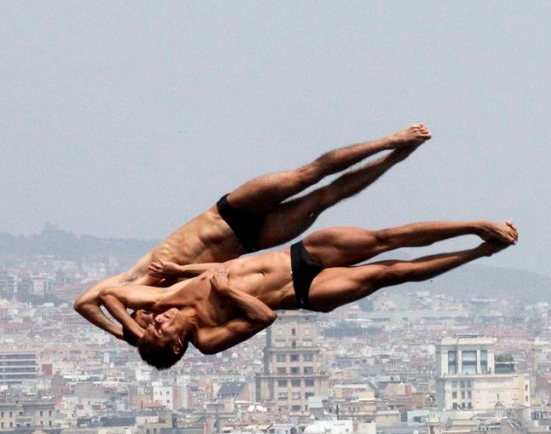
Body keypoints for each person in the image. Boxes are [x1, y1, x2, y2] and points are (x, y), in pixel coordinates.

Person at [74, 124, 432, 343]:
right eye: (150, 325)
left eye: (144, 320)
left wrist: (127, 333)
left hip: (227, 214)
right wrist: (142, 335)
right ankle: (393, 159)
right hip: (252, 241)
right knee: (323, 199)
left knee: (305, 175)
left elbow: (85, 302)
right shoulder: (179, 299)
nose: (151, 320)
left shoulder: (134, 283)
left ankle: (387, 141)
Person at [98, 219, 519, 368]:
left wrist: (135, 327)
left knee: (385, 238)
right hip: (303, 290)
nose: (158, 320)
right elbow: (264, 318)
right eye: (160, 330)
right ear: (176, 348)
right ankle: (479, 251)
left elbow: (107, 296)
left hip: (299, 253)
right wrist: (230, 293)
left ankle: (474, 226)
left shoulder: (168, 298)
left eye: (154, 323)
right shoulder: (206, 340)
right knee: (390, 273)